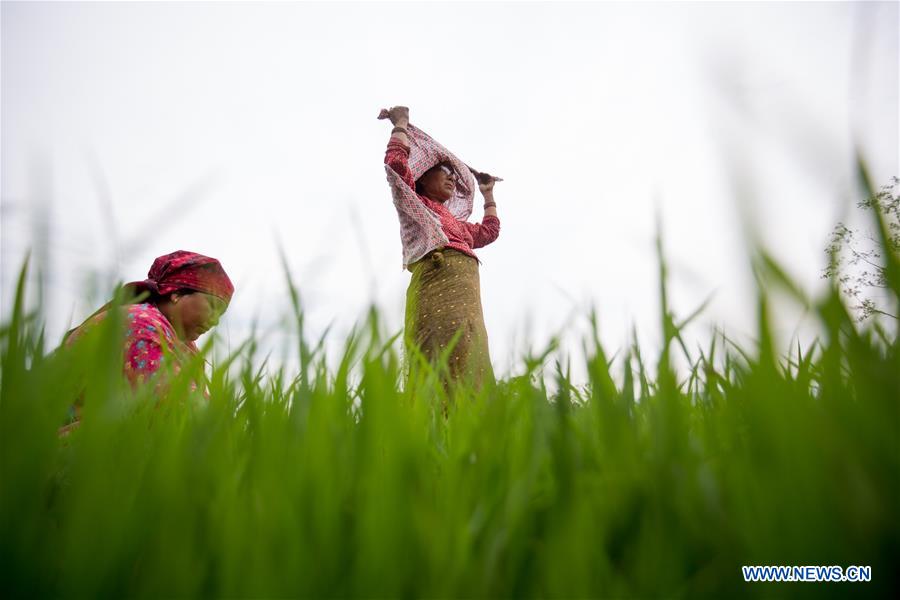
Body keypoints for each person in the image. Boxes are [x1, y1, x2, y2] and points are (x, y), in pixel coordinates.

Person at [379, 105, 502, 390]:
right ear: (422, 178)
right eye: (444, 172)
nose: (451, 178)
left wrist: (488, 194)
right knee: (436, 353)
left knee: (471, 355)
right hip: (435, 290)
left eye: (453, 175)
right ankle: (432, 425)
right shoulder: (417, 207)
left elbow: (489, 232)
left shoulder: (457, 225)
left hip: (467, 301)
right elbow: (396, 166)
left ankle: (472, 427)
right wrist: (401, 124)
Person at [60, 250, 233, 431]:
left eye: (220, 315)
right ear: (177, 294)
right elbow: (181, 408)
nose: (215, 321)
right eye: (213, 307)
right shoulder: (142, 324)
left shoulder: (183, 346)